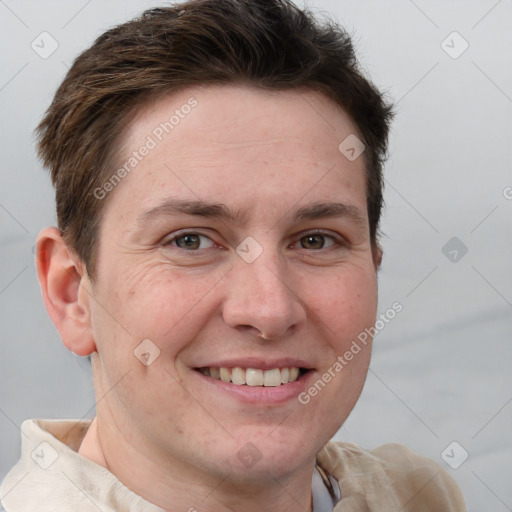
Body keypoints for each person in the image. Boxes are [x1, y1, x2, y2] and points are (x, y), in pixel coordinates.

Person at [0, 0, 466, 510]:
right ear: (72, 294)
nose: (269, 310)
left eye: (316, 240)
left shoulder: (420, 498)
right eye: (190, 240)